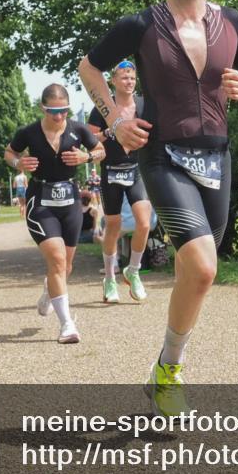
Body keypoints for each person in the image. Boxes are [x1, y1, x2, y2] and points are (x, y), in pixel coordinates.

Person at [78, 0, 238, 414]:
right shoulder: (140, 25)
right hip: (163, 155)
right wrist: (116, 120)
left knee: (194, 273)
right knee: (204, 267)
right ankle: (171, 372)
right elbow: (88, 67)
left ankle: (162, 363)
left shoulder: (233, 22)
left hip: (218, 156)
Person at [4, 84, 105, 344]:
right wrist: (18, 163)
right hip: (41, 200)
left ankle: (49, 293)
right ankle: (67, 324)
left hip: (70, 199)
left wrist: (86, 158)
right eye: (53, 111)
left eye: (63, 111)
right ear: (43, 108)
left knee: (65, 266)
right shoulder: (29, 132)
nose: (59, 116)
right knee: (58, 260)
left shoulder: (78, 129)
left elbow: (100, 152)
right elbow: (10, 152)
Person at [86, 60, 152, 303]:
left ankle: (133, 272)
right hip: (110, 170)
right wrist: (109, 132)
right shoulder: (104, 107)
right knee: (113, 226)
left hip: (136, 170)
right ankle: (110, 279)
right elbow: (88, 137)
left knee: (144, 224)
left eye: (133, 77)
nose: (129, 81)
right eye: (124, 77)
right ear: (113, 81)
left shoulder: (143, 105)